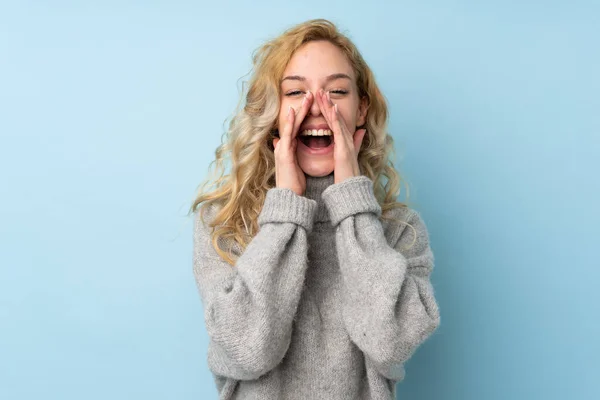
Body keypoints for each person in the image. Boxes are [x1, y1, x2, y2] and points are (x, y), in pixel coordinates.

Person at [190, 18, 440, 400]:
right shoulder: (223, 224)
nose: (317, 108)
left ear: (360, 111)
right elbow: (249, 350)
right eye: (295, 93)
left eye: (336, 91)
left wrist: (352, 202)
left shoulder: (400, 231)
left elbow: (390, 343)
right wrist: (286, 208)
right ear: (272, 111)